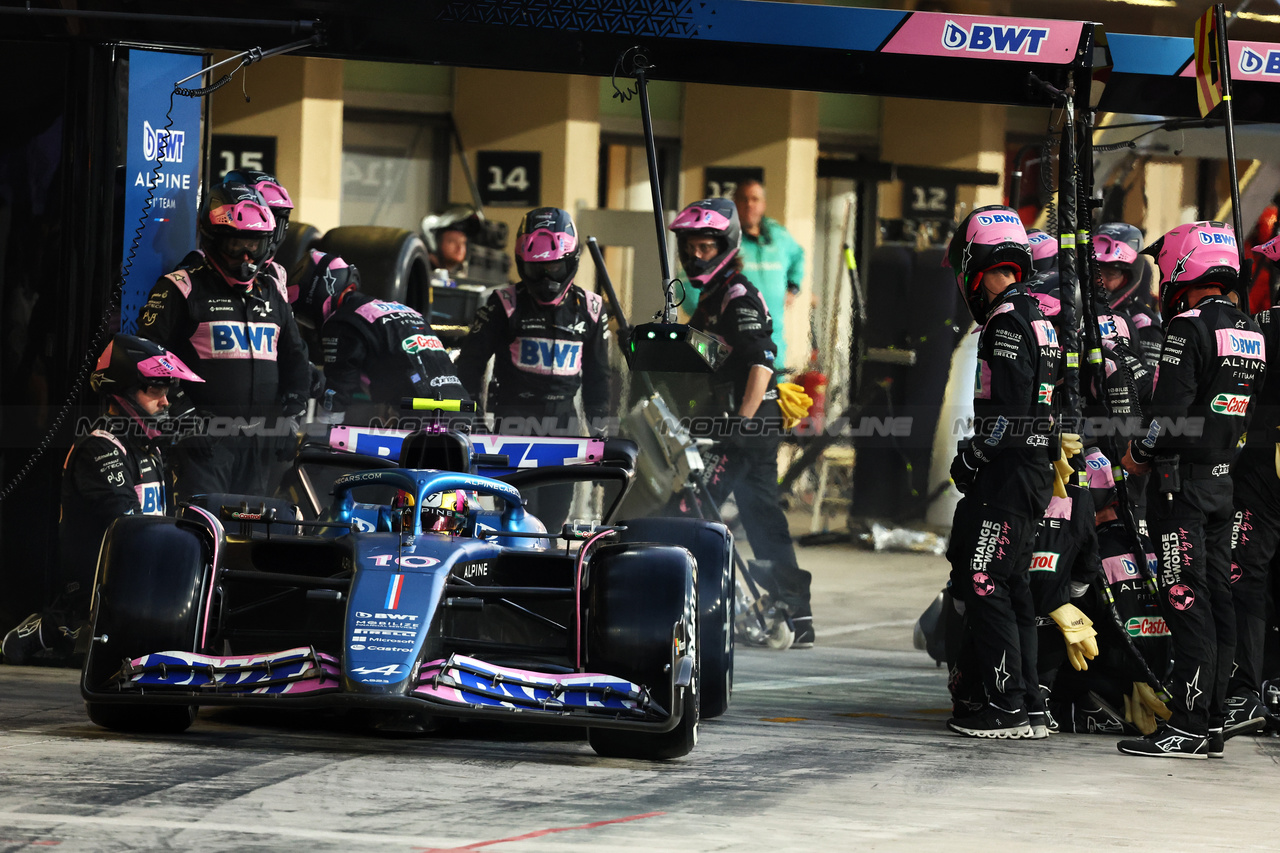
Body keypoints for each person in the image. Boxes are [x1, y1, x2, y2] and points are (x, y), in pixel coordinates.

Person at [1117, 221, 1266, 759]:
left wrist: (1138, 455)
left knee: (1185, 598)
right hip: (1225, 483)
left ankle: (1187, 722)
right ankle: (1215, 720)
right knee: (1218, 597)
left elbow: (1168, 415)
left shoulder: (1186, 328)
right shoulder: (1250, 331)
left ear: (1183, 267)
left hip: (1179, 487)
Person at [2, 335, 202, 664]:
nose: (166, 402)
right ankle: (52, 627)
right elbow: (131, 528)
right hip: (103, 592)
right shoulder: (100, 447)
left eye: (167, 390)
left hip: (143, 580)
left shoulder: (147, 448)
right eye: (155, 389)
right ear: (124, 390)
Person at [670, 197, 814, 648]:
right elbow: (696, 353)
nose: (697, 256)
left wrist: (741, 422)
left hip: (749, 424)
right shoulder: (712, 300)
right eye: (690, 248)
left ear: (727, 245)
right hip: (747, 425)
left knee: (692, 507)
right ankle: (795, 612)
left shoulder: (737, 295)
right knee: (762, 514)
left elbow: (762, 361)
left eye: (707, 248)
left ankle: (693, 604)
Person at [943, 205, 1061, 738]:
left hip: (1011, 474)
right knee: (1011, 584)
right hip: (1033, 471)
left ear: (975, 260)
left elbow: (1007, 415)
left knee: (985, 579)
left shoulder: (1006, 320)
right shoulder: (1038, 314)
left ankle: (1006, 708)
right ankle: (1030, 706)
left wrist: (972, 457)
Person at [138, 180, 311, 498]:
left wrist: (292, 415)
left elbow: (296, 359)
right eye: (236, 246)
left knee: (254, 536)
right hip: (205, 446)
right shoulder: (181, 287)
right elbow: (150, 357)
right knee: (203, 529)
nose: (246, 257)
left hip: (261, 447)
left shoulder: (271, 291)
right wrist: (183, 417)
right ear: (214, 240)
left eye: (254, 245)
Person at [455, 207, 610, 528]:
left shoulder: (592, 309)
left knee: (553, 523)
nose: (545, 279)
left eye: (553, 268)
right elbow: (467, 369)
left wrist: (602, 437)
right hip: (512, 428)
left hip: (565, 432)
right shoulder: (503, 303)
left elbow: (599, 381)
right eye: (536, 269)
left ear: (570, 261)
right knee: (516, 522)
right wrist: (472, 426)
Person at [289, 249, 469, 426]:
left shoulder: (343, 320)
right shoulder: (402, 309)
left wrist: (319, 436)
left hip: (422, 417)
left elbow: (337, 390)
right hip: (463, 408)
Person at [1224, 234, 1280, 736]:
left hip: (1263, 467)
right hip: (1262, 463)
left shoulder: (1262, 326)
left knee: (1246, 576)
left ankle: (1247, 690)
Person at [733, 180, 804, 369]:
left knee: (775, 390)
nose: (749, 204)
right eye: (743, 199)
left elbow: (798, 256)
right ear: (735, 203)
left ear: (763, 204)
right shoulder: (726, 239)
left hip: (774, 334)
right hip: (737, 338)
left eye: (755, 199)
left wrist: (793, 287)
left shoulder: (778, 235)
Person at [1093, 222, 1163, 369]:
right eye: (1095, 272)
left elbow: (1148, 385)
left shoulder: (1143, 323)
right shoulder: (1077, 309)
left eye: (1110, 274)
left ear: (1128, 278)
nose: (1099, 280)